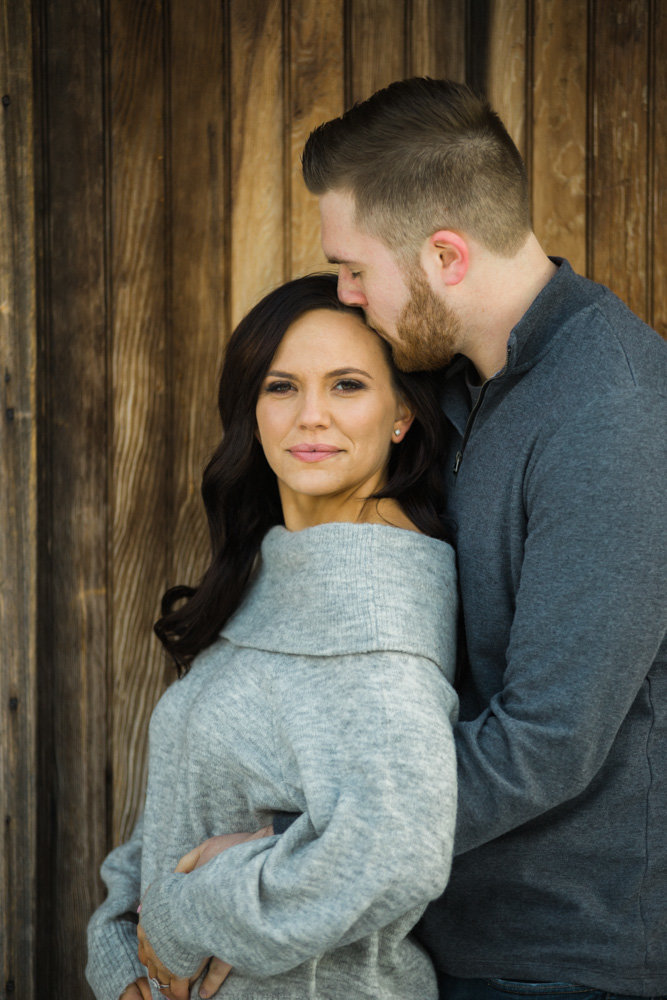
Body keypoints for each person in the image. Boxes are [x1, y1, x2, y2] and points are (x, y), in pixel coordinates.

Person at [297, 78, 667, 998]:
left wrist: (297, 853)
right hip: (430, 935)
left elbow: (546, 740)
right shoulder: (459, 389)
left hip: (567, 961)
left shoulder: (610, 413)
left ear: (446, 256)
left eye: (354, 267)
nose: (345, 295)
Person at [86, 273, 460, 1000]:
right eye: (281, 387)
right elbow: (183, 803)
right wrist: (119, 956)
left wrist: (180, 916)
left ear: (401, 414)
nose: (309, 416)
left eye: (347, 386)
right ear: (251, 409)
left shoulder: (374, 612)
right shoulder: (277, 568)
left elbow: (396, 856)